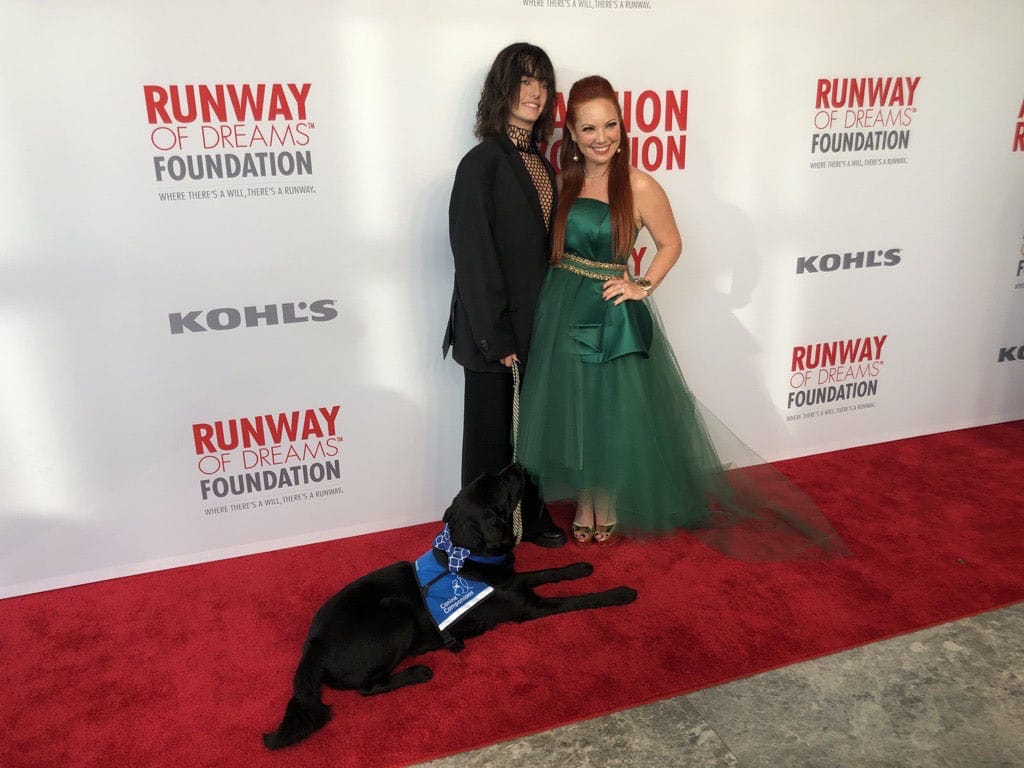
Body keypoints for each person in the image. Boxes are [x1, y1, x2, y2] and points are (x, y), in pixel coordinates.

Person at [516, 76, 846, 559]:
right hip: (562, 305)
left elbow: (672, 244)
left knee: (608, 409)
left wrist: (641, 285)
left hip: (610, 315)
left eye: (610, 125)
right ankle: (584, 494)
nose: (601, 137)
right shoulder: (563, 182)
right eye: (588, 129)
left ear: (623, 127)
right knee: (576, 407)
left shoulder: (640, 185)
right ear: (572, 132)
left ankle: (605, 497)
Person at [442, 43, 566, 547]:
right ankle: (474, 533)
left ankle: (530, 517)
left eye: (542, 83)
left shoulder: (542, 163)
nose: (534, 93)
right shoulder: (481, 163)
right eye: (524, 80)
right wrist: (497, 336)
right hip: (492, 332)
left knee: (531, 434)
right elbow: (473, 256)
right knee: (490, 442)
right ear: (502, 88)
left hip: (538, 327)